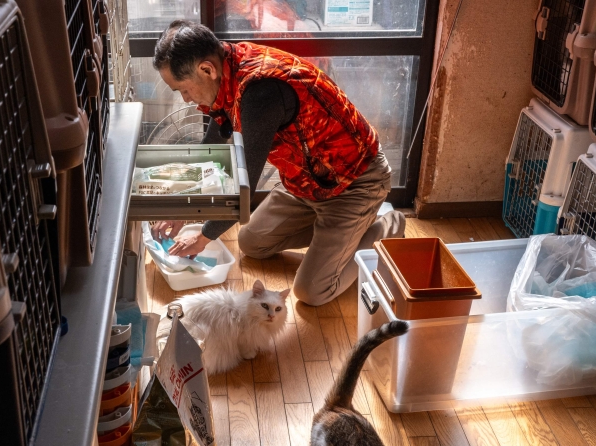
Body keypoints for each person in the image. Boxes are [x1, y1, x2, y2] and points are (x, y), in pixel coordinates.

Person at [150, 20, 405, 306]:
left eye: (182, 89)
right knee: (251, 243)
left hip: (354, 183)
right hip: (306, 182)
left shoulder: (261, 91)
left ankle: (388, 225)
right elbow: (212, 147)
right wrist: (181, 206)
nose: (185, 99)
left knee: (312, 292)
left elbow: (243, 185)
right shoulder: (227, 68)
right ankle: (338, 233)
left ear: (206, 69)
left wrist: (204, 237)